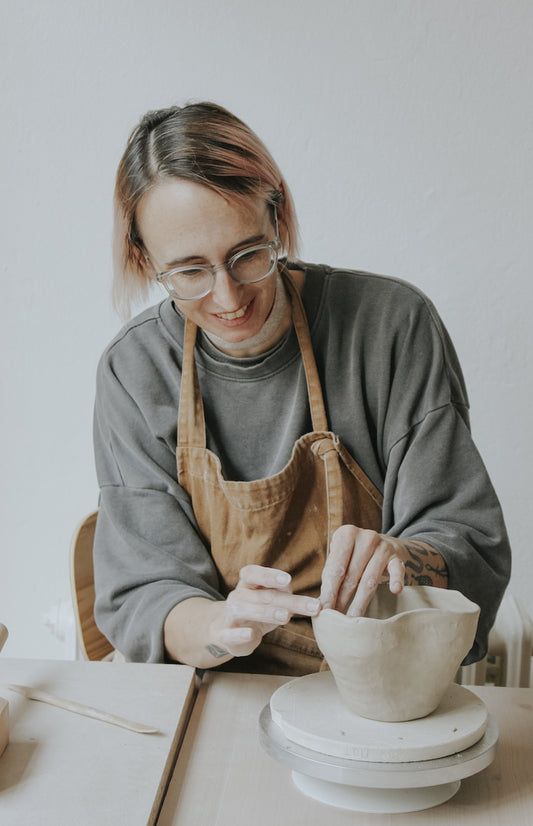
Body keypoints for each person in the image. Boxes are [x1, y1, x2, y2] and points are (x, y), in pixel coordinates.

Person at [93, 101, 511, 674]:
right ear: (145, 260)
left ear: (279, 215)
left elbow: (470, 544)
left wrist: (401, 558)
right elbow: (145, 593)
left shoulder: (392, 326)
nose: (227, 298)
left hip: (378, 681)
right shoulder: (136, 369)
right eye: (189, 271)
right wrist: (219, 625)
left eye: (247, 254)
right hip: (214, 683)